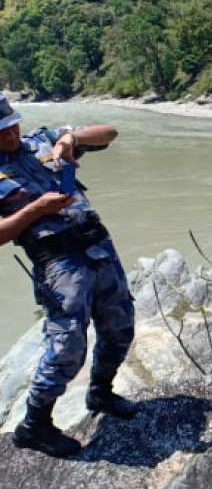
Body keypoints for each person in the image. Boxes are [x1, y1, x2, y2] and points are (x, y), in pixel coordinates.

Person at [0, 94, 137, 458]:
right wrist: (34, 210)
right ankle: (34, 426)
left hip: (98, 248)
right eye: (1, 131)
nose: (10, 133)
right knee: (67, 348)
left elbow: (110, 132)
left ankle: (101, 392)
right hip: (58, 265)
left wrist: (72, 139)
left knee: (120, 327)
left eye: (11, 124)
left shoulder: (42, 141)